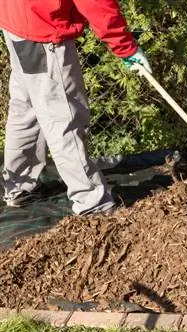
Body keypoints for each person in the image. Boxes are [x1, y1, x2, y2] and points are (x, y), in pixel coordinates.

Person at [0, 0, 152, 215]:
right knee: (64, 117)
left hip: (16, 21)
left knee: (26, 109)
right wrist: (125, 46)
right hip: (42, 29)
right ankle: (92, 203)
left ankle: (18, 188)